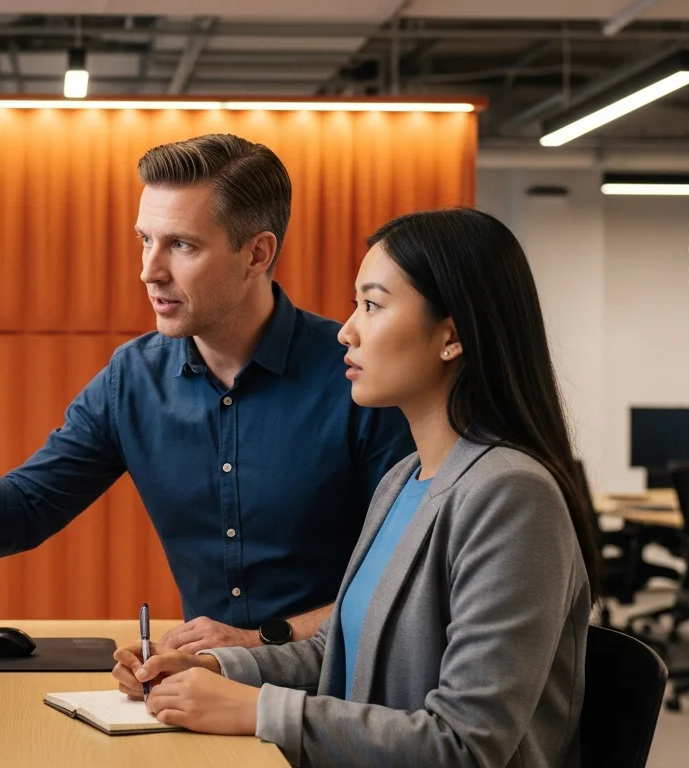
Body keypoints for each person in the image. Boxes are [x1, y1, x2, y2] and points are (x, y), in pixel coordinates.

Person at [0, 134, 413, 651]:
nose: (149, 270)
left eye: (182, 245)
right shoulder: (133, 378)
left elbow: (406, 582)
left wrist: (261, 642)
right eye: (145, 239)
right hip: (210, 691)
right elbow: (13, 520)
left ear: (257, 254)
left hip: (341, 690)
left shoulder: (359, 376)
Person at [111, 208, 600, 767]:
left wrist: (257, 710)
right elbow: (341, 652)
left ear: (452, 336)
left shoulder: (511, 496)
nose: (347, 330)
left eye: (372, 305)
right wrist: (216, 668)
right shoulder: (403, 480)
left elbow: (466, 745)